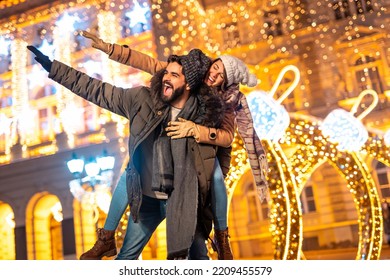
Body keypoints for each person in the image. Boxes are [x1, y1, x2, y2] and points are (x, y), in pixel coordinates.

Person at [79, 30, 270, 260]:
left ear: (225, 82)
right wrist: (110, 49)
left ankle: (222, 236)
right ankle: (106, 237)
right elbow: (148, 62)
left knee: (217, 180)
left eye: (220, 75)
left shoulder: (227, 102)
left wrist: (196, 130)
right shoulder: (190, 76)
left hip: (203, 154)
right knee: (132, 172)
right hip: (169, 140)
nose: (213, 74)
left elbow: (227, 137)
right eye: (215, 67)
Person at [27, 45, 229, 260]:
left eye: (174, 75)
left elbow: (216, 172)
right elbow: (96, 89)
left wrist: (217, 226)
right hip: (148, 199)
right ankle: (106, 239)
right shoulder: (142, 100)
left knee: (198, 260)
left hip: (183, 203)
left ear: (188, 84)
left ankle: (223, 240)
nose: (165, 78)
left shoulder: (201, 121)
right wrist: (54, 69)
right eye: (166, 72)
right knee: (125, 259)